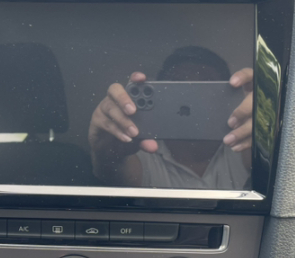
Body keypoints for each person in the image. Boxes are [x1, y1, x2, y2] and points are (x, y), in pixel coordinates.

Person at [89, 46, 253, 190]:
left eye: (205, 86)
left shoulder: (244, 146)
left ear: (228, 98)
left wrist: (266, 126)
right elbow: (113, 172)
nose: (190, 97)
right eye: (179, 84)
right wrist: (105, 155)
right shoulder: (142, 150)